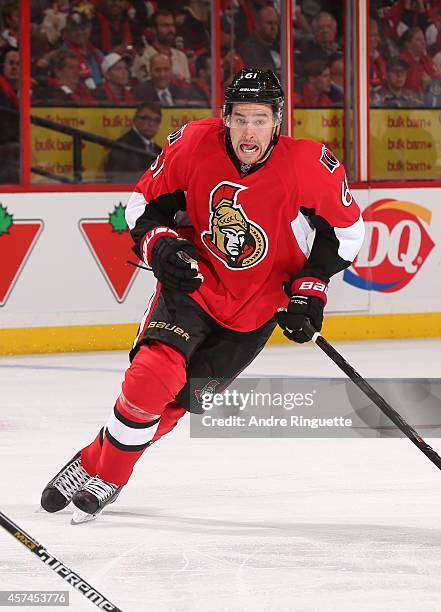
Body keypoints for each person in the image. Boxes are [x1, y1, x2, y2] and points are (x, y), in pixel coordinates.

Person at [40, 68, 365, 524]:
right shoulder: (193, 144)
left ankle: (96, 459)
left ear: (277, 122)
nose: (248, 131)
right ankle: (112, 474)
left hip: (257, 308)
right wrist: (161, 243)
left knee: (183, 401)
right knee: (151, 378)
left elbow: (347, 236)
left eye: (260, 119)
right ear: (225, 117)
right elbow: (141, 205)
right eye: (240, 118)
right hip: (193, 285)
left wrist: (310, 292)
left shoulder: (310, 165)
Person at [105, 102, 162, 182]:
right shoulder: (123, 147)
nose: (151, 124)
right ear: (134, 120)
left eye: (156, 120)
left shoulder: (158, 150)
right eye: (146, 118)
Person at [131, 10, 191, 84]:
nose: (171, 30)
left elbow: (187, 86)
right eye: (165, 26)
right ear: (154, 30)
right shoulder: (144, 56)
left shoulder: (181, 56)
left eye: (173, 25)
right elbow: (150, 86)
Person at [239, 6, 281, 75]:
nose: (274, 27)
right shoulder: (249, 47)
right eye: (269, 23)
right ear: (258, 25)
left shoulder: (280, 46)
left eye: (276, 23)